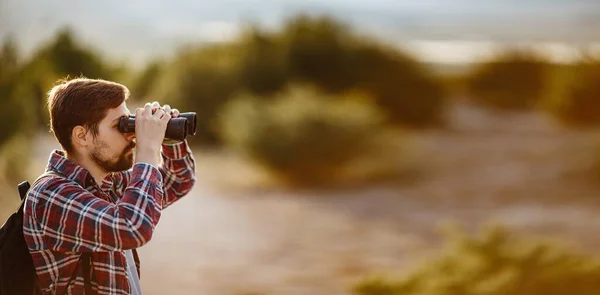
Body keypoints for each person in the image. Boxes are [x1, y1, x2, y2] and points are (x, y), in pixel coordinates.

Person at [22, 77, 196, 294]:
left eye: (130, 122)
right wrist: (147, 150)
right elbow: (132, 228)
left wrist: (168, 137)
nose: (131, 136)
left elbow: (178, 181)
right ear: (82, 136)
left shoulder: (108, 182)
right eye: (119, 125)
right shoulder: (51, 195)